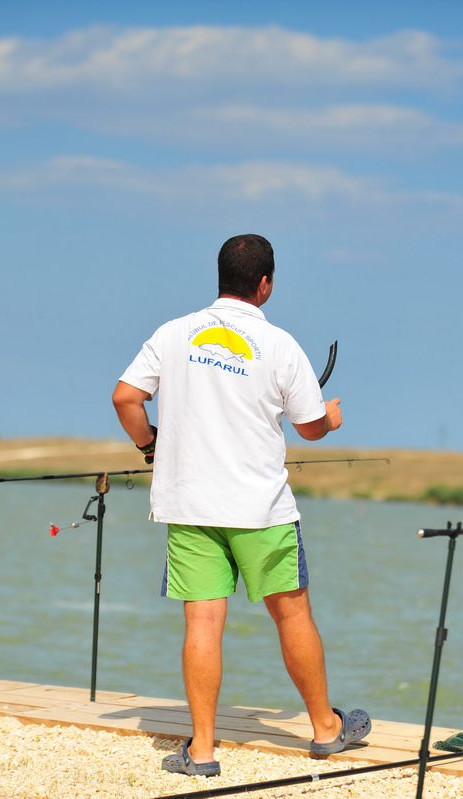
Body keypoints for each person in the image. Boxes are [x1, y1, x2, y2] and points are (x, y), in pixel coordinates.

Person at [112, 233, 370, 777]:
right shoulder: (280, 344)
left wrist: (149, 445)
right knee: (292, 614)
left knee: (203, 623)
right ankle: (326, 730)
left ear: (221, 277)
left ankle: (202, 751)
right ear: (265, 284)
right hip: (261, 510)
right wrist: (330, 418)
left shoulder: (173, 333)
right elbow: (309, 427)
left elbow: (126, 398)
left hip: (190, 506)